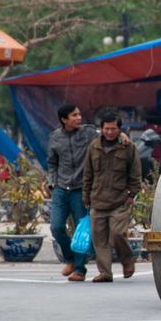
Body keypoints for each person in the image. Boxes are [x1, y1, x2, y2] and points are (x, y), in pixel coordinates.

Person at [82, 110, 141, 283]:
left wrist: (132, 193)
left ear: (119, 129)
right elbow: (88, 173)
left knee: (117, 234)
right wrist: (86, 195)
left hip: (120, 200)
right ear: (101, 129)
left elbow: (135, 173)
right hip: (97, 200)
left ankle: (127, 260)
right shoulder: (93, 147)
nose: (110, 132)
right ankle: (105, 272)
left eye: (113, 129)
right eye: (106, 128)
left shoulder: (128, 147)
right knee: (99, 239)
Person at [47, 105, 97, 282]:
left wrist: (121, 135)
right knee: (56, 227)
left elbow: (107, 136)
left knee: (81, 229)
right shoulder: (54, 137)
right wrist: (52, 183)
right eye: (74, 115)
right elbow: (52, 163)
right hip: (61, 189)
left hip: (81, 189)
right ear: (64, 119)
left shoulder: (89, 133)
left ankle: (79, 269)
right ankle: (69, 259)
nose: (79, 118)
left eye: (79, 114)